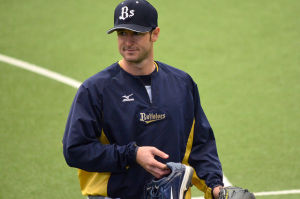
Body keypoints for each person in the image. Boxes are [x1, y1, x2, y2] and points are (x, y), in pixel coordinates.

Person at [63, 0, 224, 198]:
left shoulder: (182, 84)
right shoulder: (95, 89)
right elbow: (75, 150)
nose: (128, 42)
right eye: (122, 33)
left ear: (154, 34)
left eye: (136, 33)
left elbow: (200, 146)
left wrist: (216, 188)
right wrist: (132, 155)